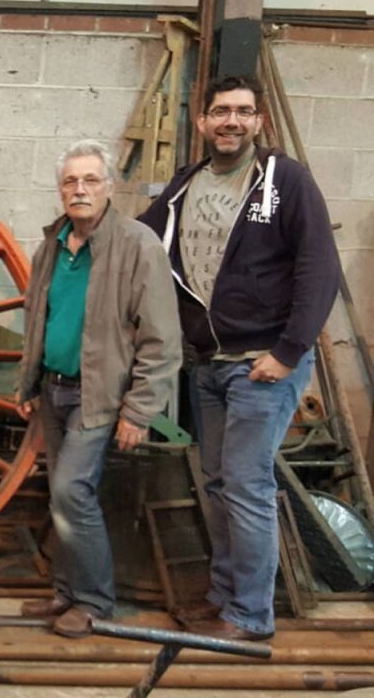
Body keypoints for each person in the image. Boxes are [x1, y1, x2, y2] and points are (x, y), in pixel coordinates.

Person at [139, 75, 340, 641]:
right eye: (221, 111)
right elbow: (140, 242)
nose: (232, 121)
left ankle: (251, 615)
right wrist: (81, 230)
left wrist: (288, 351)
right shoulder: (187, 185)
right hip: (209, 363)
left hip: (262, 364)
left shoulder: (284, 181)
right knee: (221, 485)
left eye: (243, 112)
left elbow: (319, 268)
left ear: (259, 122)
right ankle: (225, 598)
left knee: (246, 486)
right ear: (202, 122)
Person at [15, 139, 182, 638]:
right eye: (70, 181)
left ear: (109, 186)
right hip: (55, 389)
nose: (79, 189)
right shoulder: (52, 246)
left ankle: (92, 601)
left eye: (90, 180)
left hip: (99, 395)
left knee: (72, 490)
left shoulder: (137, 245)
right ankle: (66, 592)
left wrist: (140, 410)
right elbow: (38, 321)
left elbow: (161, 337)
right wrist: (27, 383)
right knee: (59, 494)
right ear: (60, 190)